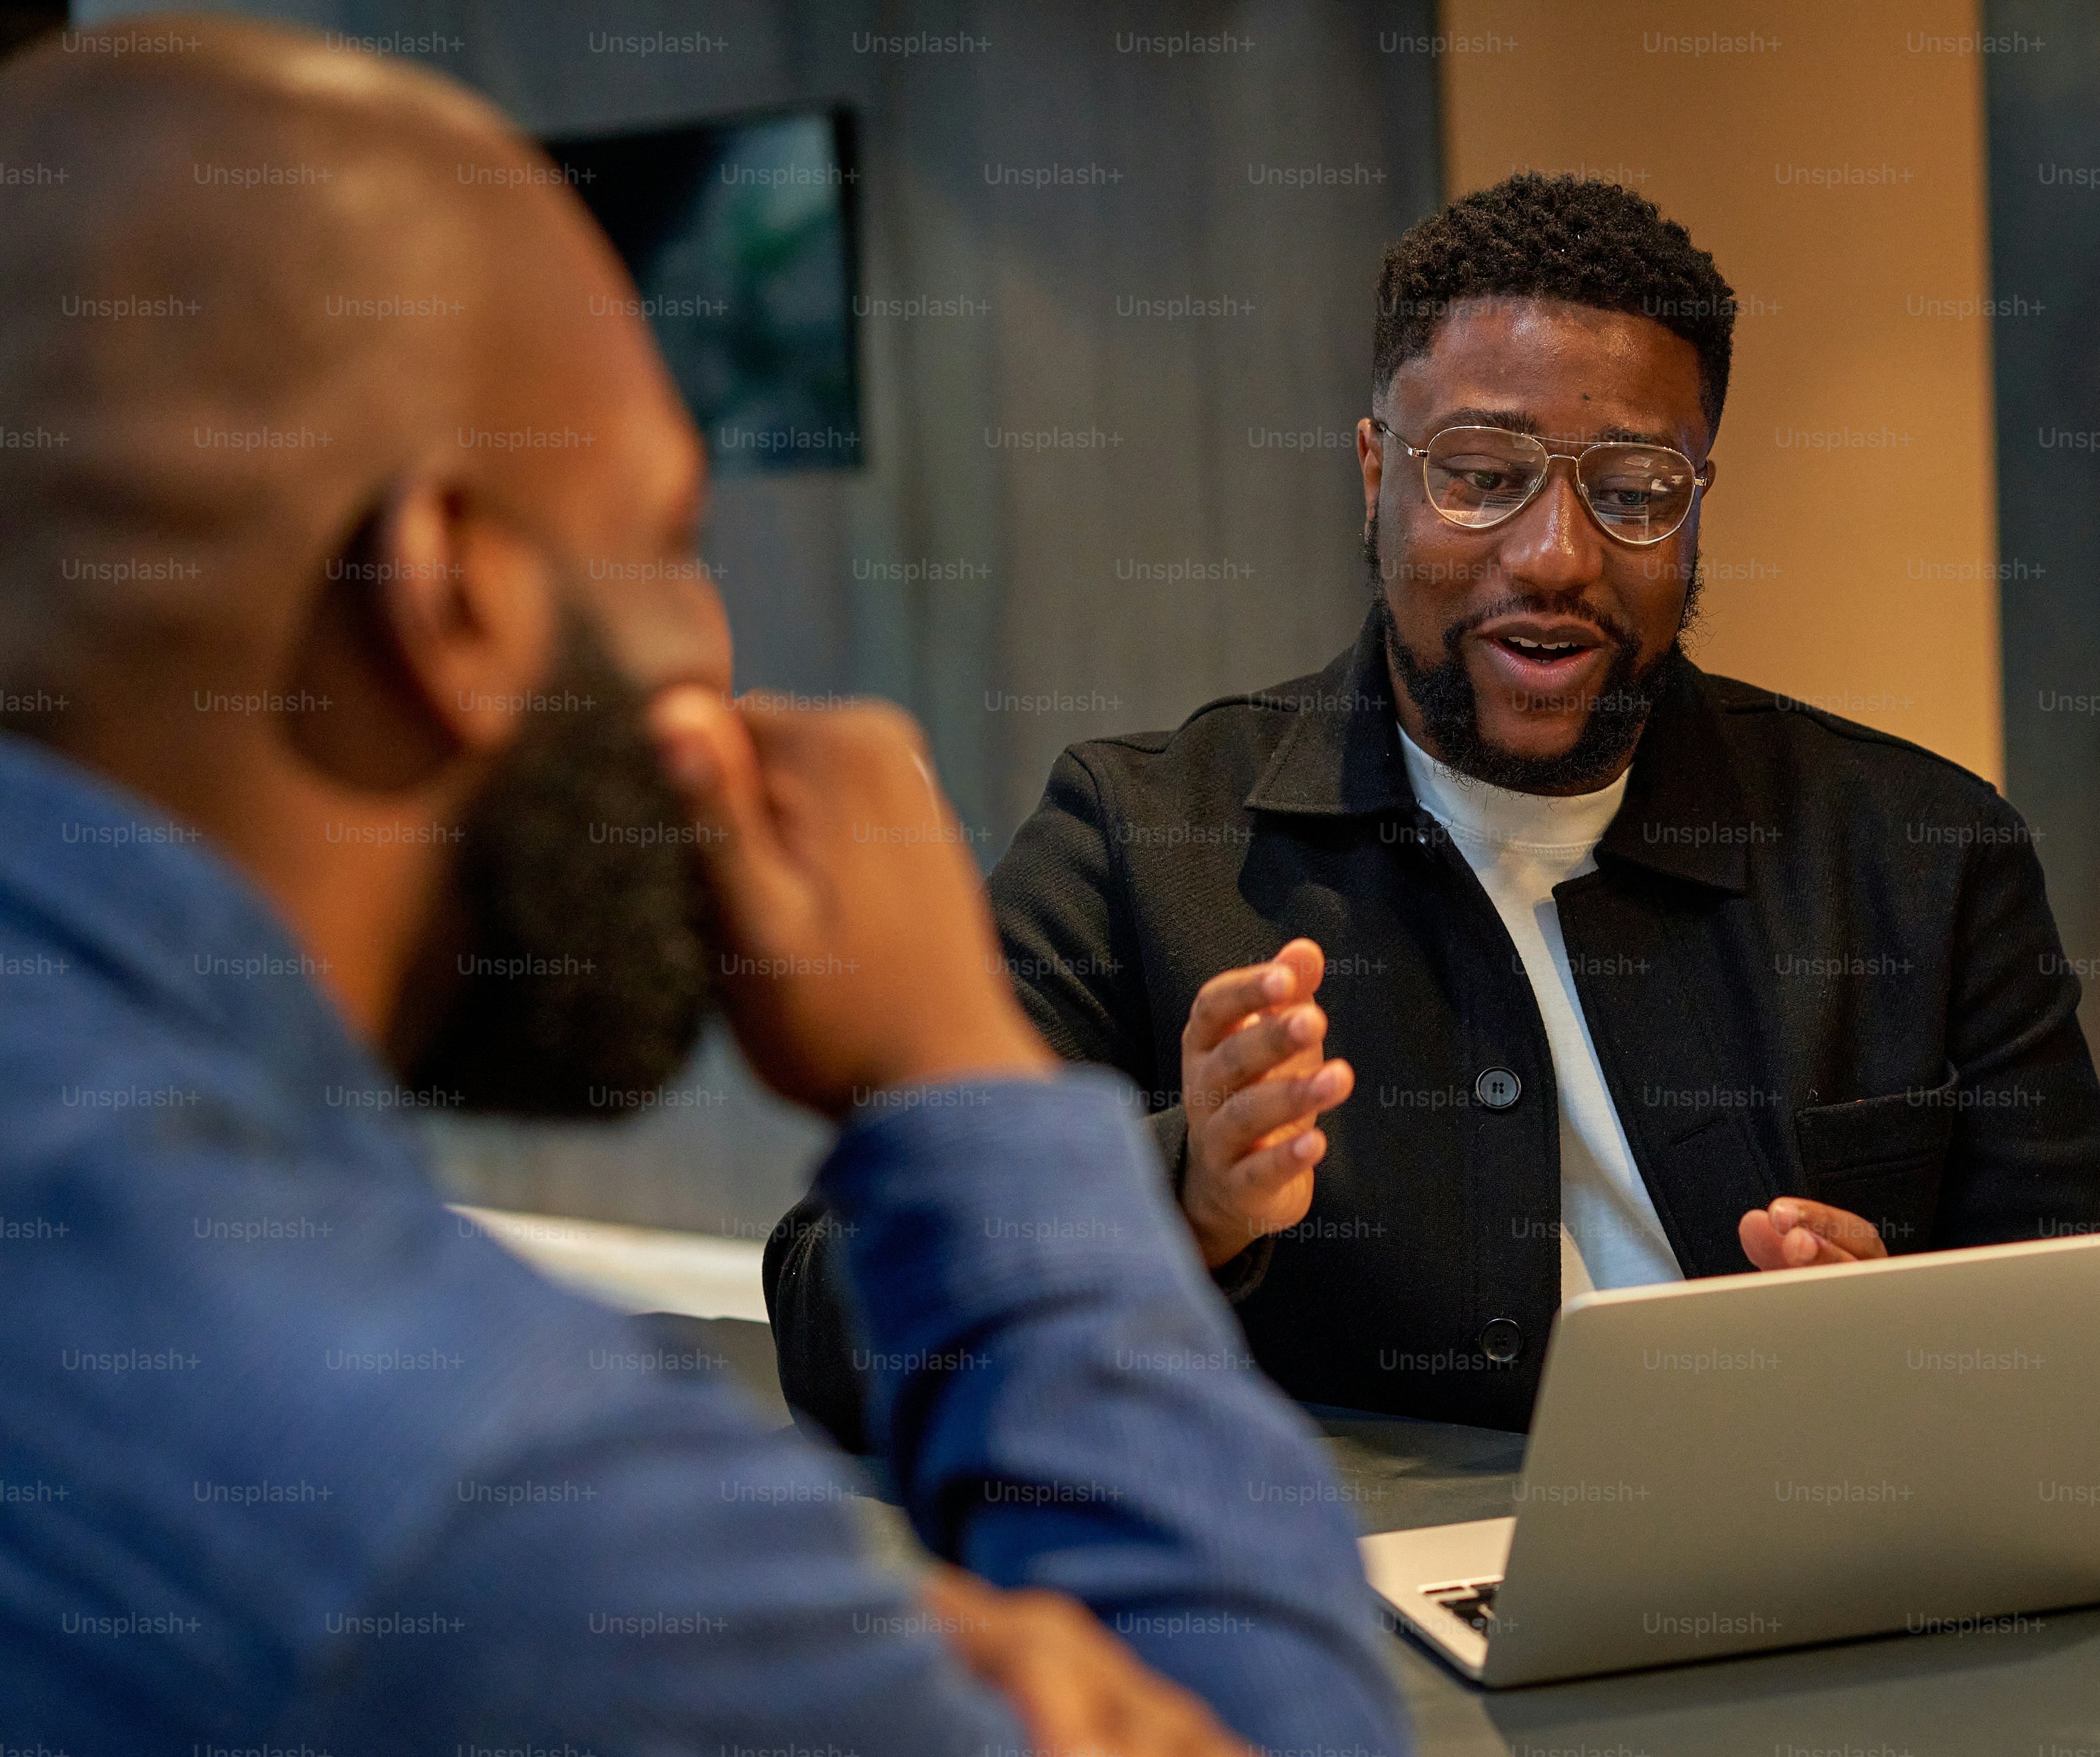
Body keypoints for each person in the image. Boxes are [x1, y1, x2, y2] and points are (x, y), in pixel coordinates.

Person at [0, 21, 1404, 1757]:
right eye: (668, 538)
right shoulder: (490, 1504)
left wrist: (811, 1650)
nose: (718, 658)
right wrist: (959, 1073)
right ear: (449, 600)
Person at [772, 174, 2100, 1439]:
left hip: (1804, 1565)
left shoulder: (1922, 854)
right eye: (1483, 478)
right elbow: (836, 1308)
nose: (1554, 557)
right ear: (1379, 477)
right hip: (1355, 1601)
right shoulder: (1139, 839)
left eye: (1633, 494)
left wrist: (1914, 1350)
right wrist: (1181, 1195)